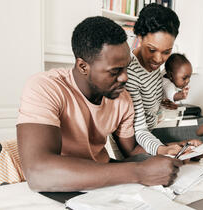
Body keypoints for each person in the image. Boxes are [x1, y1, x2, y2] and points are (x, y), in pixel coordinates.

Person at [16, 16, 183, 192]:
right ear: (83, 67)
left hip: (101, 187)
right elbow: (38, 173)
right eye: (115, 71)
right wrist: (138, 172)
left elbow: (131, 150)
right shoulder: (46, 87)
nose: (125, 77)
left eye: (126, 68)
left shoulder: (122, 99)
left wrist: (166, 152)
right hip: (57, 188)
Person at [126, 3, 201, 156]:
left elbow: (150, 95)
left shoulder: (153, 66)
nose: (159, 59)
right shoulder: (130, 73)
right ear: (139, 37)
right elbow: (139, 129)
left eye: (167, 51)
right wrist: (164, 149)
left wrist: (161, 101)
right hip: (133, 147)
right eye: (152, 49)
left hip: (149, 139)